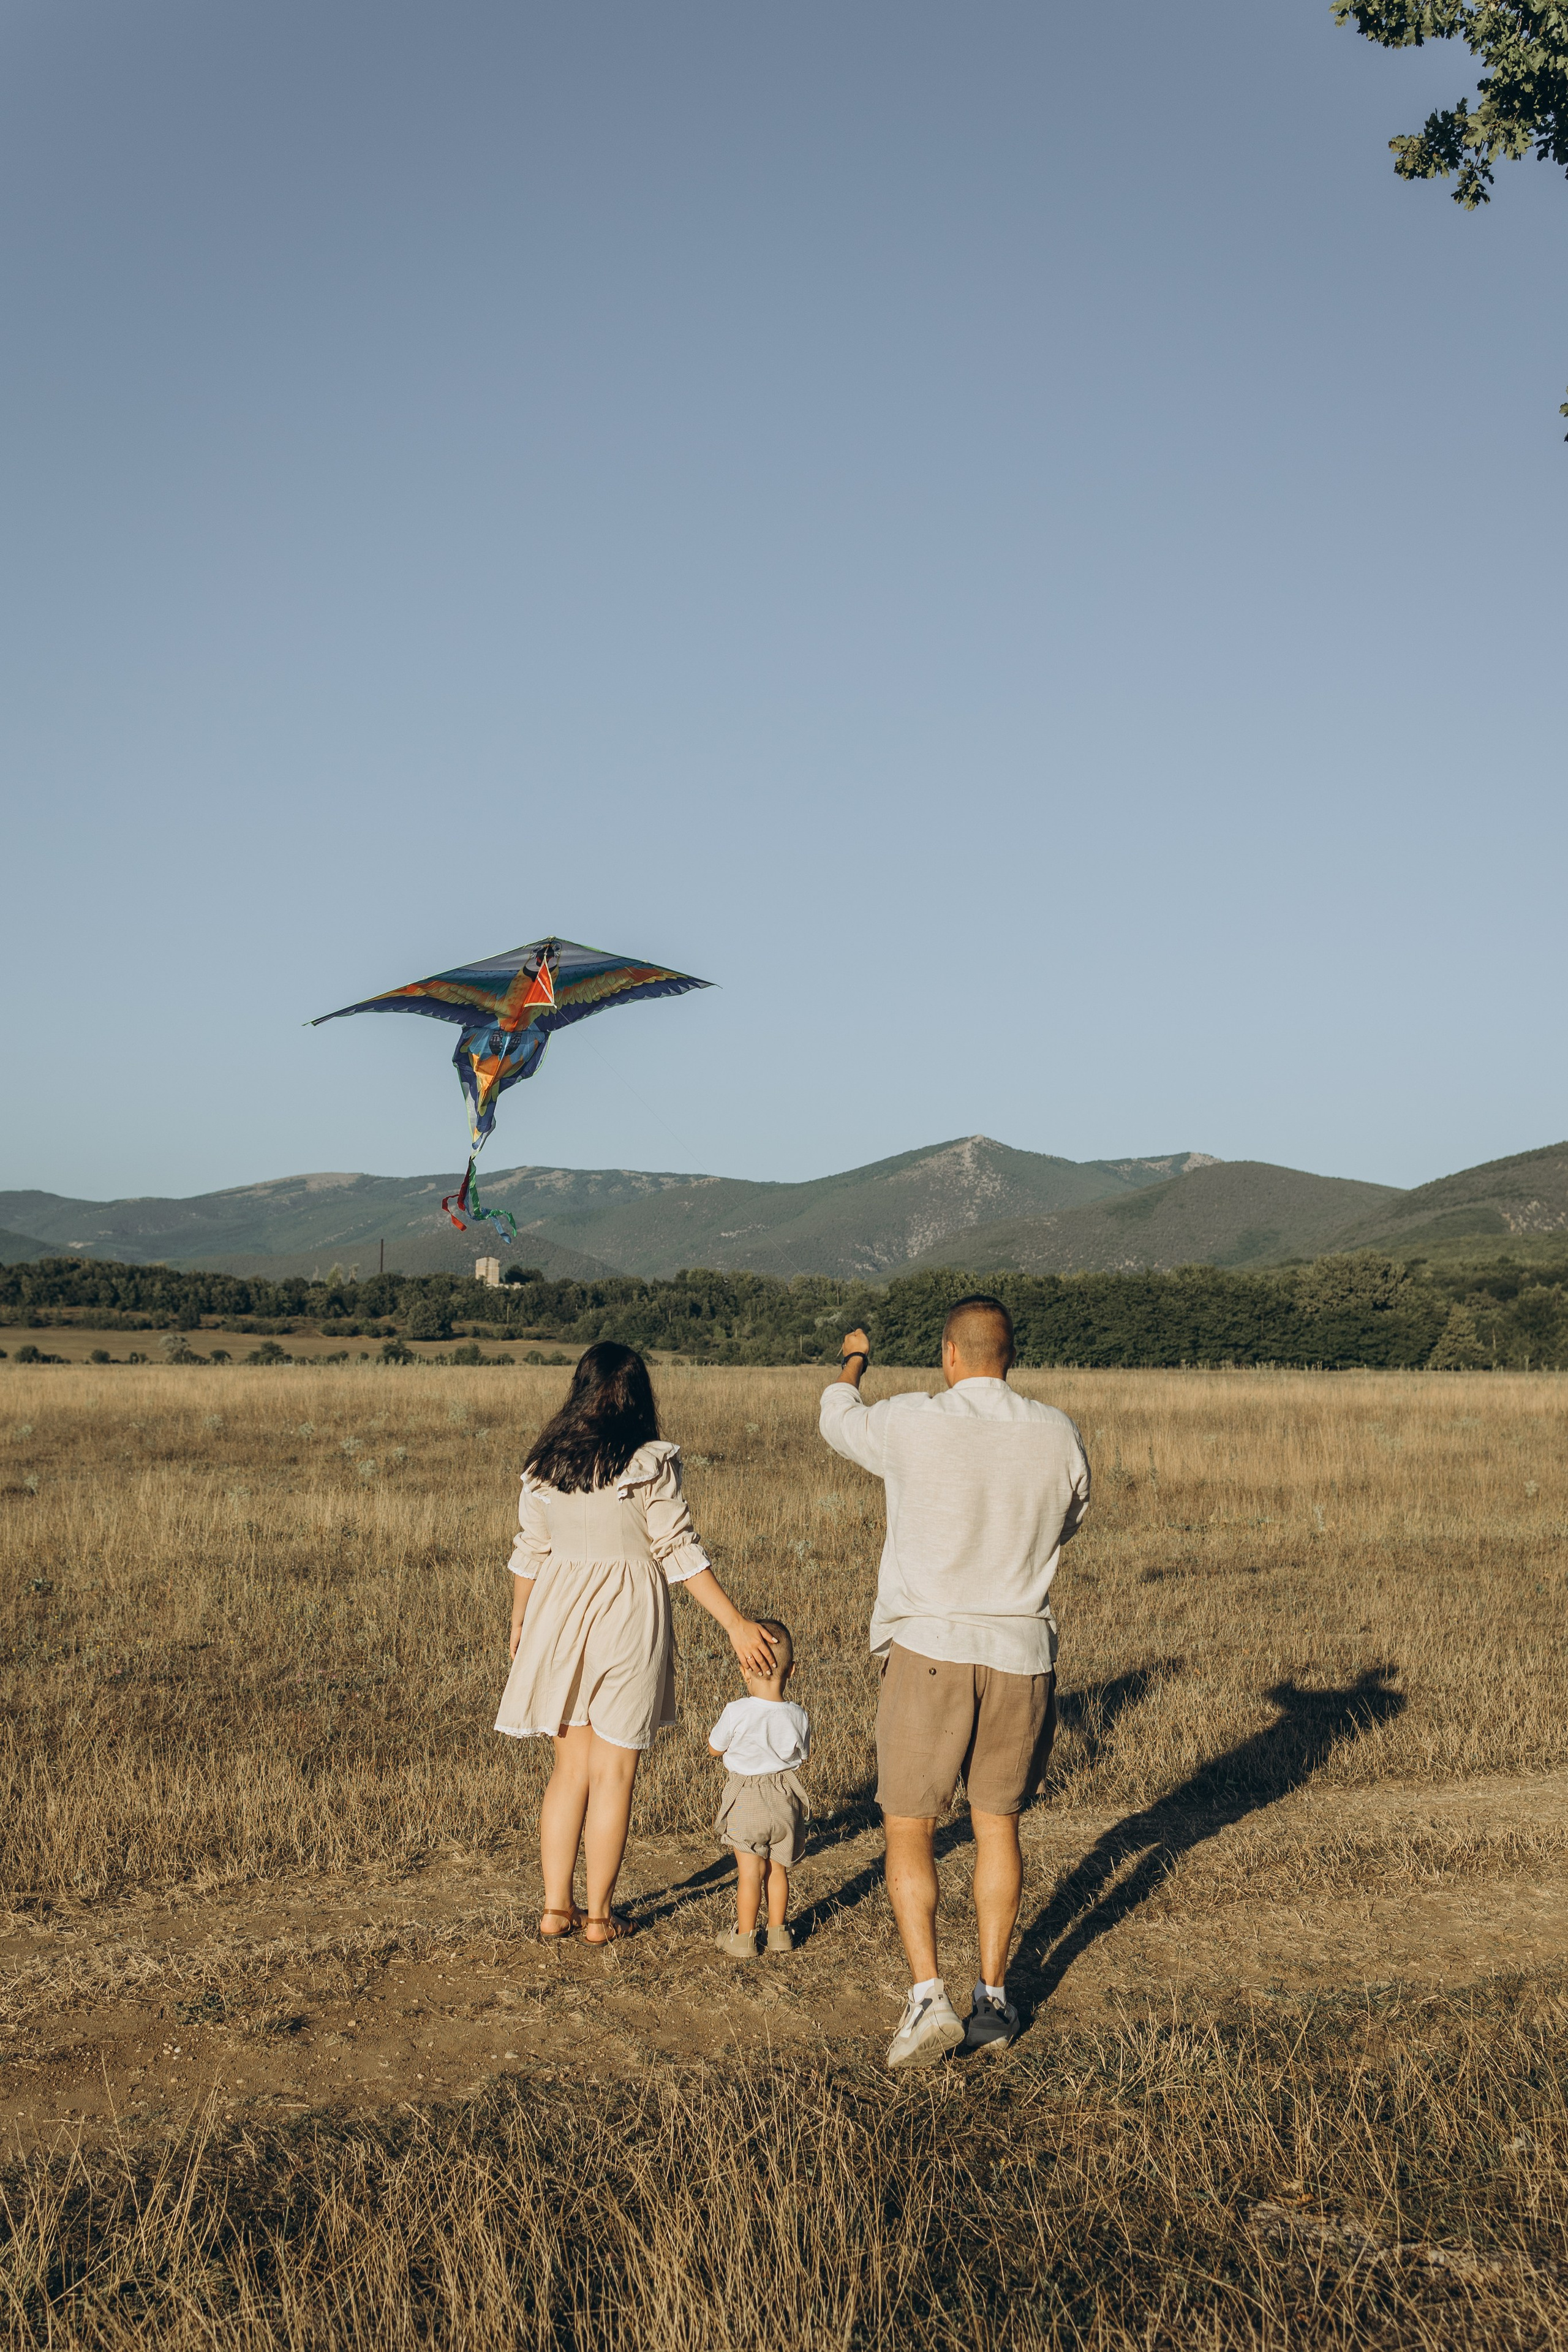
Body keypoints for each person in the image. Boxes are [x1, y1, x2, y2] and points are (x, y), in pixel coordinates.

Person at [819, 1298, 1090, 2067]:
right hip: (1020, 1652)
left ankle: (926, 1998)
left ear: (948, 1354)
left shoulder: (911, 1419)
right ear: (1011, 1356)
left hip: (931, 1646)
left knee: (909, 1826)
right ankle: (994, 1999)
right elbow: (1070, 1517)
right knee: (997, 1824)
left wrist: (854, 1360)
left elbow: (836, 1418)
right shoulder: (1056, 1431)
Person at [495, 1341, 774, 1945]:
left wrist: (519, 1623)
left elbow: (531, 1550)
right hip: (628, 1615)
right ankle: (599, 1917)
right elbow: (677, 1548)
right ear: (638, 1396)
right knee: (614, 1774)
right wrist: (733, 1623)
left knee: (569, 1770)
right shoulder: (650, 1461)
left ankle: (554, 1909)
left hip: (556, 1614)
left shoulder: (546, 1464)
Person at [709, 1617, 811, 1958]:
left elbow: (714, 1748)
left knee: (750, 1873)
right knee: (778, 1869)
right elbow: (802, 1755)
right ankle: (779, 1933)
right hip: (785, 1800)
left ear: (745, 1671)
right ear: (792, 1670)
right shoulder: (798, 1715)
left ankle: (745, 1938)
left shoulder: (736, 1711)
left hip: (746, 1799)